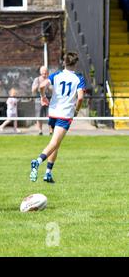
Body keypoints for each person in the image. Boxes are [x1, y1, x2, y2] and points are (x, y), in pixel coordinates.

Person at [29, 52, 86, 184]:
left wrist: (43, 96)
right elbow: (81, 97)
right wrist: (76, 110)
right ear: (75, 63)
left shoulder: (57, 74)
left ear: (64, 62)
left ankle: (48, 173)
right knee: (54, 143)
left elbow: (42, 86)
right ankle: (37, 162)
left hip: (53, 112)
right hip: (65, 115)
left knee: (56, 143)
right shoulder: (78, 78)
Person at [32, 66, 52, 135]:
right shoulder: (36, 80)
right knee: (39, 116)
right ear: (40, 73)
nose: (45, 75)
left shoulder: (50, 79)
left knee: (50, 115)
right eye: (43, 73)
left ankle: (51, 131)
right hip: (38, 99)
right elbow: (33, 90)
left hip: (48, 99)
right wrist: (39, 86)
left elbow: (53, 90)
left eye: (46, 73)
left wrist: (49, 87)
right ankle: (40, 131)